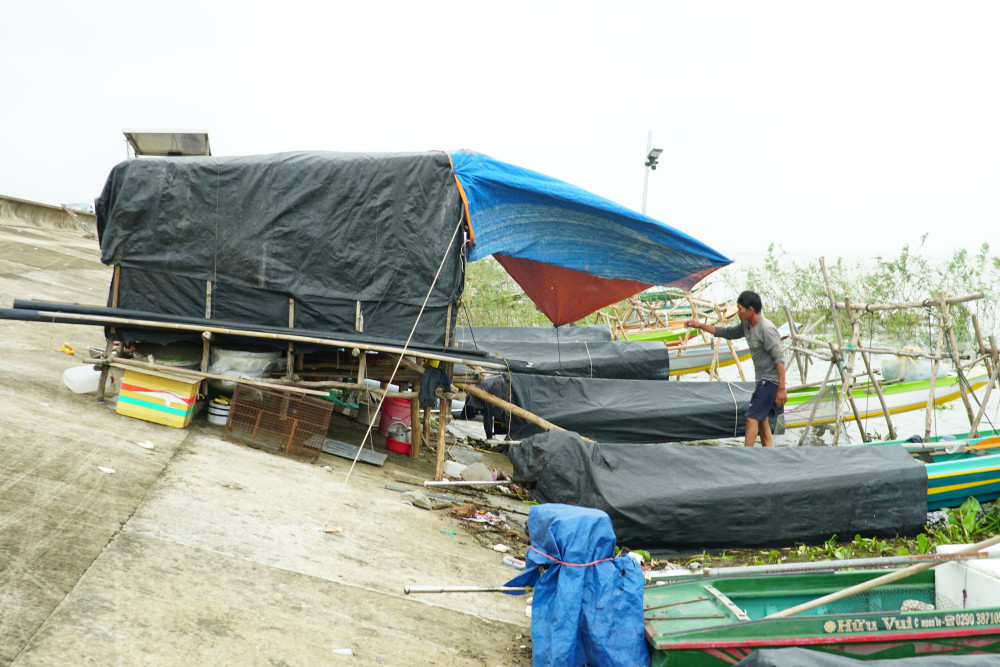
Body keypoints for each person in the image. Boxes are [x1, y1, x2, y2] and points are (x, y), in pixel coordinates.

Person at [685, 290, 786, 447]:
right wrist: (699, 325)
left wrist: (781, 388)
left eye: (740, 308)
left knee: (751, 418)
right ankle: (769, 453)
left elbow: (780, 360)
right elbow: (725, 332)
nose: (738, 312)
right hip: (762, 382)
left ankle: (745, 456)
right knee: (762, 421)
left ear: (750, 309)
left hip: (770, 382)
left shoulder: (766, 329)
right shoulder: (746, 326)